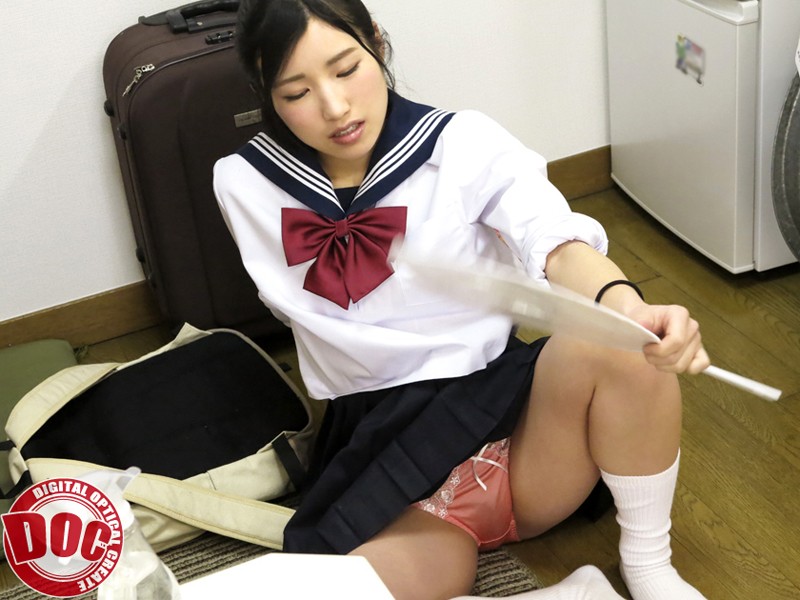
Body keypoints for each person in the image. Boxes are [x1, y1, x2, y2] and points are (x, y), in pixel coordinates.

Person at [213, 1, 710, 599]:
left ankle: (650, 567)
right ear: (264, 91)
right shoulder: (242, 184)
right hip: (385, 454)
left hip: (512, 423)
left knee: (625, 340)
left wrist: (626, 306)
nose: (335, 106)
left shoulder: (462, 143)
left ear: (377, 43)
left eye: (346, 69)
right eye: (297, 92)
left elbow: (554, 241)